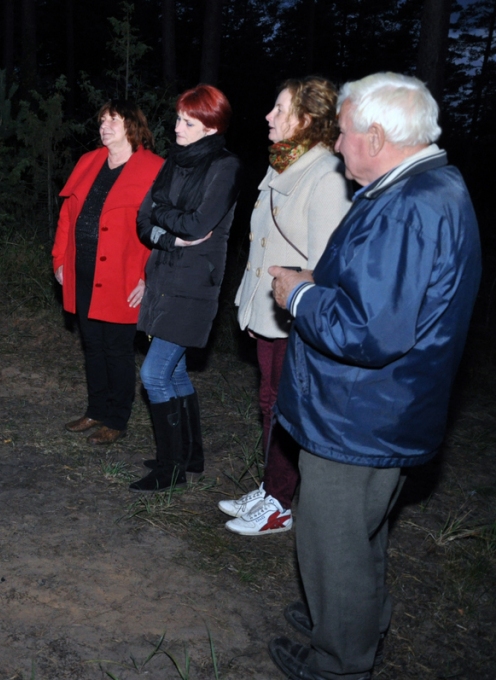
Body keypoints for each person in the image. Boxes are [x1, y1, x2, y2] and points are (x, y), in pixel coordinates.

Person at [267, 72, 481, 680]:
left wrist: (300, 294)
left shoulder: (411, 206)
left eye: (343, 134)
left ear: (379, 136)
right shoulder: (428, 186)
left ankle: (339, 659)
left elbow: (371, 330)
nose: (335, 146)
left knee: (333, 536)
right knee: (359, 532)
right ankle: (351, 618)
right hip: (382, 409)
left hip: (363, 415)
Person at [221, 77, 352, 535]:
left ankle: (280, 503)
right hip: (270, 310)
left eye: (280, 109)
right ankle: (272, 486)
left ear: (307, 120)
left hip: (298, 316)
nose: (268, 116)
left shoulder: (327, 176)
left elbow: (327, 266)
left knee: (284, 407)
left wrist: (294, 305)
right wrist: (251, 306)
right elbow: (261, 246)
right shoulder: (281, 167)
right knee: (268, 400)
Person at [129, 84, 242, 492]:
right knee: (174, 373)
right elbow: (145, 219)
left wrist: (165, 215)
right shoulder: (175, 161)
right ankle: (189, 455)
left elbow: (200, 223)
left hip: (195, 282)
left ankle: (170, 468)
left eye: (188, 122)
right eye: (178, 118)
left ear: (210, 128)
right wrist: (170, 236)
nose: (177, 127)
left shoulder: (225, 166)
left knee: (155, 373)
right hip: (164, 270)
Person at [52, 102, 164, 445]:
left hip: (124, 276)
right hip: (82, 269)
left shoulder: (154, 168)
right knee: (92, 345)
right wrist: (60, 258)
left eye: (113, 120)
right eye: (101, 120)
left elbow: (161, 231)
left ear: (133, 125)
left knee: (116, 349)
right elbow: (68, 214)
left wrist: (149, 278)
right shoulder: (90, 161)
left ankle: (116, 418)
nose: (104, 125)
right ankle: (96, 409)